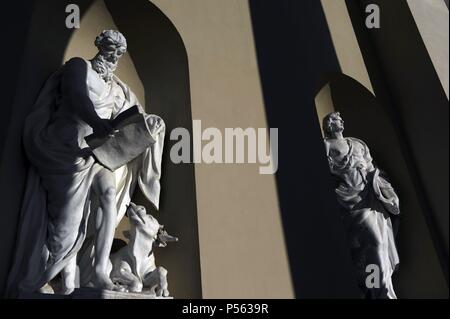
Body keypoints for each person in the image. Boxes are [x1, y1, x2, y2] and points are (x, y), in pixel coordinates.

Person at [6, 30, 165, 296]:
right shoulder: (78, 66)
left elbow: (130, 115)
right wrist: (96, 122)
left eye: (118, 55)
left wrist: (150, 124)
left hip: (96, 153)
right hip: (66, 150)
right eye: (110, 52)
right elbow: (75, 96)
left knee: (108, 193)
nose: (113, 59)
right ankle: (47, 276)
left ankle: (101, 271)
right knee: (66, 225)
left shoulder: (116, 87)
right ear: (100, 49)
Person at [323, 112, 400, 299]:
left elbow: (372, 169)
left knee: (379, 244)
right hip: (350, 203)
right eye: (334, 119)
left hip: (370, 199)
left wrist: (385, 190)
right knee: (373, 242)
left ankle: (381, 289)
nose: (339, 120)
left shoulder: (357, 143)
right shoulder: (325, 146)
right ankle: (377, 290)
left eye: (340, 118)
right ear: (328, 126)